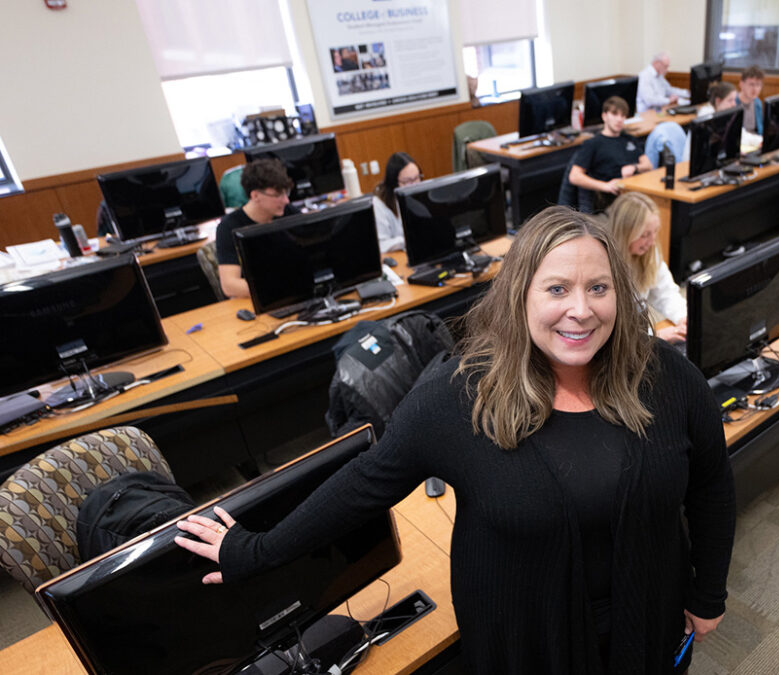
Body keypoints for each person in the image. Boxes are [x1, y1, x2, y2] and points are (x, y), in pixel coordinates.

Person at [175, 206, 736, 674]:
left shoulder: (665, 375)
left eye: (599, 288)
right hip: (525, 641)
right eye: (557, 288)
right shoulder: (458, 394)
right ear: (519, 294)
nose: (581, 310)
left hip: (650, 619)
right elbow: (364, 484)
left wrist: (708, 593)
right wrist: (255, 550)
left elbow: (712, 483)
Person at [606, 192, 687, 343]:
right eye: (644, 235)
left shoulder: (648, 252)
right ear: (625, 233)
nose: (651, 241)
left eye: (655, 232)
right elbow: (613, 331)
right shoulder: (604, 267)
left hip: (640, 338)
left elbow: (665, 292)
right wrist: (655, 335)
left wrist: (683, 316)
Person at [215, 159, 299, 299]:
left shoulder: (287, 211)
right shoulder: (228, 227)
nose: (286, 200)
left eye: (286, 192)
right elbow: (229, 285)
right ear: (255, 196)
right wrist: (279, 289)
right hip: (260, 299)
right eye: (278, 195)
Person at [569, 96, 651, 208]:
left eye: (623, 116)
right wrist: (606, 186)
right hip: (611, 200)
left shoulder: (629, 139)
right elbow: (574, 176)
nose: (619, 119)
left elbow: (648, 165)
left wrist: (634, 167)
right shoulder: (593, 143)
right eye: (615, 114)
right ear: (604, 116)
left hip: (635, 193)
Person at [372, 152, 422, 253]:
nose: (414, 185)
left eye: (417, 178)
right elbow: (381, 244)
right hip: (398, 255)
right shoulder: (379, 204)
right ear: (394, 182)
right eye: (407, 181)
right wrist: (406, 241)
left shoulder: (420, 194)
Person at [736, 65, 765, 135]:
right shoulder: (733, 103)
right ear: (741, 84)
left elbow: (760, 129)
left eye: (758, 85)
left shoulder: (757, 102)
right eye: (751, 84)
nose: (755, 89)